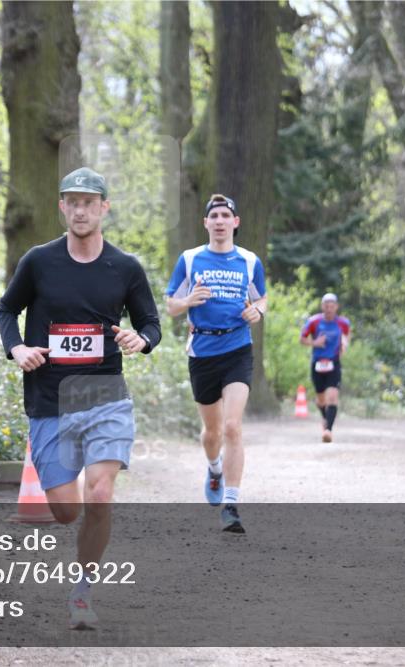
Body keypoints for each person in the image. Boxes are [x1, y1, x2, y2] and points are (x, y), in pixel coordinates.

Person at [0, 167, 161, 630]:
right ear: (62, 208)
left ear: (104, 208)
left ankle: (83, 592)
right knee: (66, 512)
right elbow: (8, 308)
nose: (81, 209)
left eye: (90, 202)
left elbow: (151, 324)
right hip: (50, 400)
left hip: (106, 395)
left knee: (101, 493)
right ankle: (76, 538)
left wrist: (140, 340)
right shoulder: (39, 261)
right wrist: (18, 347)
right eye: (73, 201)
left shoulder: (124, 267)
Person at [165, 194, 267, 534]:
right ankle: (214, 468)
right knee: (211, 433)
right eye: (215, 216)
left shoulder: (249, 261)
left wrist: (259, 310)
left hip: (237, 347)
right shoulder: (190, 259)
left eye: (226, 215)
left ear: (235, 223)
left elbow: (262, 296)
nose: (220, 221)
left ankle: (231, 504)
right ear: (206, 223)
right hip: (203, 350)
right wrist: (187, 301)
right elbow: (170, 305)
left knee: (232, 427)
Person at [300, 293, 351, 442]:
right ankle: (325, 419)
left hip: (333, 363)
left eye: (332, 306)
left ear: (336, 307)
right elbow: (302, 339)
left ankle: (328, 430)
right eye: (326, 306)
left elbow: (347, 335)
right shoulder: (313, 322)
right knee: (321, 400)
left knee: (332, 397)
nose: (329, 309)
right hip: (317, 363)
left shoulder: (343, 323)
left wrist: (344, 345)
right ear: (322, 307)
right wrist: (315, 343)